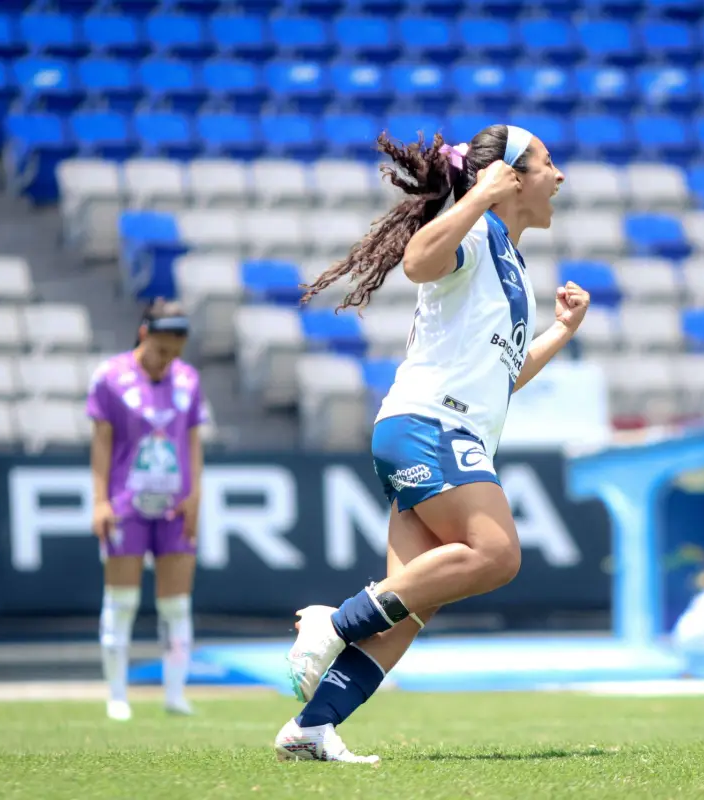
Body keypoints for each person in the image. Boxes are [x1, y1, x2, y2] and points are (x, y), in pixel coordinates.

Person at [273, 124, 588, 764]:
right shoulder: (474, 232)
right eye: (549, 164)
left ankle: (311, 728)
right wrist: (475, 198)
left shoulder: (509, 261)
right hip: (432, 427)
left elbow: (506, 376)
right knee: (497, 554)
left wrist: (561, 330)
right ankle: (330, 624)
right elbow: (416, 261)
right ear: (511, 178)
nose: (559, 177)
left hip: (431, 429)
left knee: (413, 605)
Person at [86, 299, 208, 721]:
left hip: (175, 508)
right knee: (121, 601)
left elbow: (192, 442)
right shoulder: (110, 377)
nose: (166, 362)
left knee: (176, 606)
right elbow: (101, 442)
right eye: (160, 352)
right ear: (143, 335)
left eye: (174, 354)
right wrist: (100, 500)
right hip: (125, 506)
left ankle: (175, 694)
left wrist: (196, 497)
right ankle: (117, 695)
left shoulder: (188, 380)